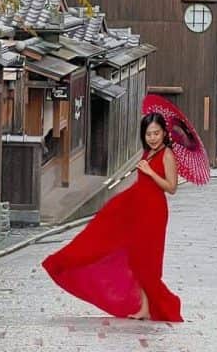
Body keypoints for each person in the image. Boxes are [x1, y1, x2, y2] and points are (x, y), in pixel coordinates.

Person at [41, 111, 183, 322]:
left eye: (156, 133)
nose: (152, 138)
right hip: (137, 209)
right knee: (135, 257)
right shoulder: (148, 153)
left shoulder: (167, 155)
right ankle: (144, 307)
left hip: (154, 212)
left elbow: (171, 188)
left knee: (148, 260)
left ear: (164, 133)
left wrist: (151, 173)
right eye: (148, 134)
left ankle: (157, 305)